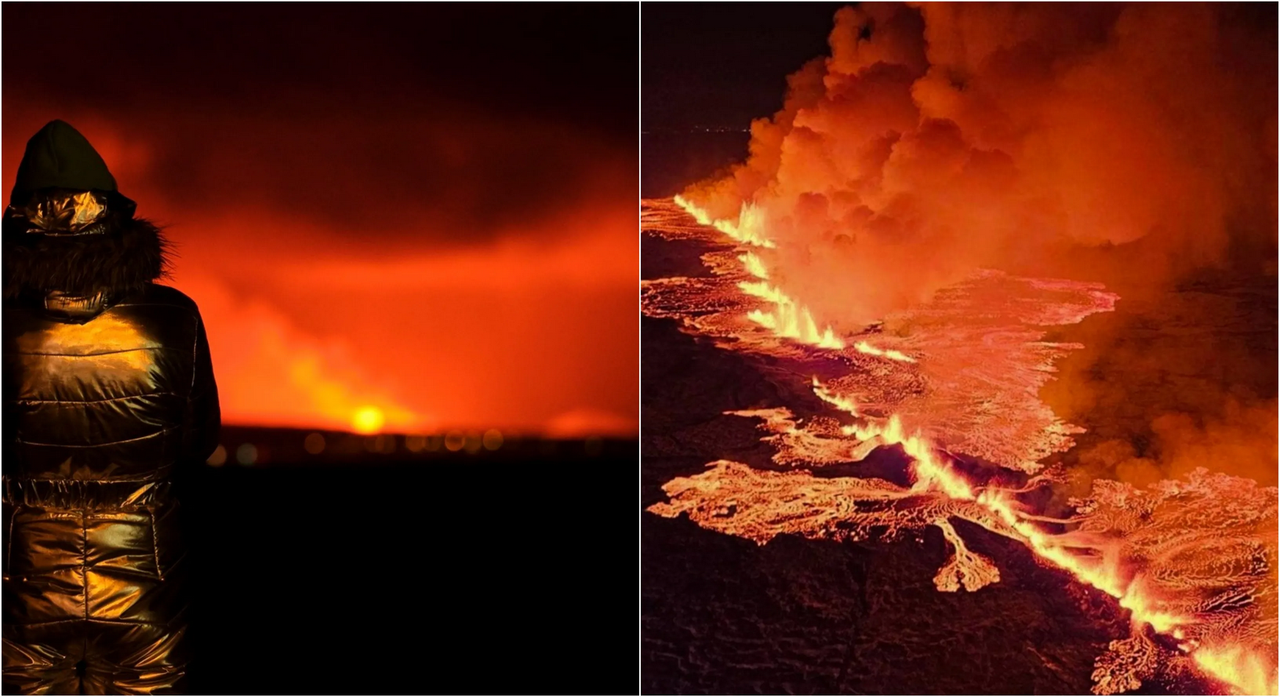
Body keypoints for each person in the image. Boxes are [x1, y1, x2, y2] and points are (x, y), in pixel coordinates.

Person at [1, 120, 220, 694]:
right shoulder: (174, 316)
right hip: (145, 582)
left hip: (19, 585)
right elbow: (198, 442)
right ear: (115, 213)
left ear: (18, 219)